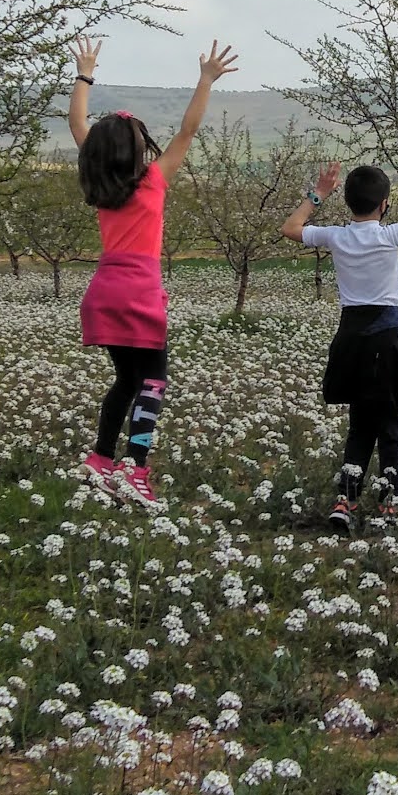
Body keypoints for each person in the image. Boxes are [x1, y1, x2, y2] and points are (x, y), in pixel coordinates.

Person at [70, 36, 240, 506]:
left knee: (127, 380)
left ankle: (101, 460)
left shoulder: (99, 180)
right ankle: (136, 469)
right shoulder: (152, 181)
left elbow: (77, 124)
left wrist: (85, 74)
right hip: (139, 292)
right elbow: (188, 130)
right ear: (139, 148)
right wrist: (205, 80)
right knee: (153, 380)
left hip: (103, 291)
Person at [284, 146, 398, 527]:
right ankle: (389, 501)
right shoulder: (391, 235)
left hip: (350, 338)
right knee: (389, 420)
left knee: (360, 422)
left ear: (348, 203)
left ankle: (345, 501)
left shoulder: (336, 237)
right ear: (384, 204)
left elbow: (291, 228)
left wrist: (318, 193)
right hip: (386, 338)